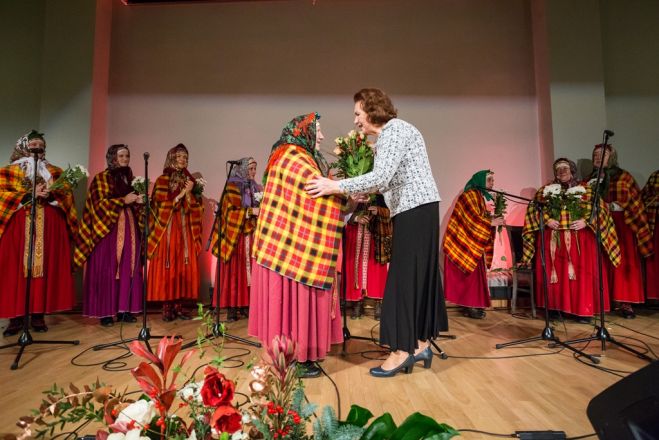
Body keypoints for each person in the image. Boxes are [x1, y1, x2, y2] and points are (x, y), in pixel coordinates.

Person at [306, 88, 448, 378]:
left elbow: (381, 177)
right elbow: (387, 180)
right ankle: (419, 343)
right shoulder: (397, 132)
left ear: (372, 110)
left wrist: (335, 186)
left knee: (403, 280)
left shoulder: (393, 132)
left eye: (358, 113)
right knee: (416, 278)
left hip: (414, 209)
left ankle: (400, 350)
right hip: (420, 209)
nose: (356, 121)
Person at [249, 112, 344, 378]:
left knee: (289, 302)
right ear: (305, 131)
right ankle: (294, 356)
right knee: (292, 300)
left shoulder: (290, 155)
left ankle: (291, 354)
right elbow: (315, 192)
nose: (322, 136)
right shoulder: (294, 157)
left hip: (284, 242)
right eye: (318, 130)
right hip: (288, 245)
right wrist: (346, 194)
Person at [522, 158, 621, 322]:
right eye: (558, 168)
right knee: (556, 276)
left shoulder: (585, 189)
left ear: (572, 170)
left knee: (580, 275)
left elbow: (599, 209)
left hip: (579, 239)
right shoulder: (545, 190)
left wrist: (586, 222)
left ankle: (581, 310)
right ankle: (555, 309)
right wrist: (546, 220)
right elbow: (533, 209)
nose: (562, 171)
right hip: (553, 238)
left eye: (565, 168)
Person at [0, 130, 78, 336]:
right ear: (24, 146)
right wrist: (28, 194)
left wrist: (51, 193)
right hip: (18, 226)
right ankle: (15, 319)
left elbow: (67, 196)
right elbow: (1, 195)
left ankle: (38, 315)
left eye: (40, 144)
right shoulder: (9, 171)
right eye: (33, 143)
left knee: (44, 268)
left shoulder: (54, 170)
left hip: (48, 224)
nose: (37, 147)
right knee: (15, 270)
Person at [74, 144, 144, 327]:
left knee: (129, 265)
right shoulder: (101, 178)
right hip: (107, 229)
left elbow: (133, 204)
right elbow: (97, 205)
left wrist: (139, 201)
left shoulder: (131, 180)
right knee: (108, 267)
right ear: (112, 157)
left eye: (127, 156)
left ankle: (124, 310)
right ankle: (105, 312)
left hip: (128, 225)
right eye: (121, 156)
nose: (125, 159)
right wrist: (123, 200)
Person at [589, 144, 653, 318]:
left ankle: (626, 303)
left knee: (623, 262)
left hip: (621, 224)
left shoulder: (623, 177)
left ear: (612, 157)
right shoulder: (590, 179)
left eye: (602, 154)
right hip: (600, 224)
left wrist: (614, 205)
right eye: (595, 154)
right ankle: (605, 300)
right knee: (601, 262)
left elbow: (634, 201)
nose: (597, 157)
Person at [147, 144, 203, 321]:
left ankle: (179, 306)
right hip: (168, 227)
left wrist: (189, 193)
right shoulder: (163, 179)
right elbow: (158, 205)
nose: (183, 160)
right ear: (172, 158)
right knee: (169, 264)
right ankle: (166, 307)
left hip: (184, 227)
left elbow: (195, 207)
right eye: (179, 156)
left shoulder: (189, 181)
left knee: (182, 264)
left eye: (185, 157)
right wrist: (180, 195)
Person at [443, 170, 503, 319]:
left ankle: (472, 305)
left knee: (473, 277)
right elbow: (471, 220)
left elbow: (476, 219)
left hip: (472, 242)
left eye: (492, 181)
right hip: (462, 242)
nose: (492, 183)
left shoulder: (479, 197)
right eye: (489, 180)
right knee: (468, 278)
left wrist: (491, 219)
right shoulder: (469, 196)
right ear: (480, 181)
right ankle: (470, 305)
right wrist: (490, 222)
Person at [210, 157, 262, 321]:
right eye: (250, 168)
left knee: (249, 271)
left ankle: (245, 305)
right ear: (242, 169)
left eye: (255, 169)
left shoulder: (256, 187)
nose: (253, 172)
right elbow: (229, 211)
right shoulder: (232, 186)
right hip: (235, 237)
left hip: (250, 234)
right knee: (234, 272)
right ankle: (232, 307)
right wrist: (249, 212)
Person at [343, 194, 391, 321]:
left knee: (377, 271)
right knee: (355, 268)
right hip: (356, 234)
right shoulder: (354, 192)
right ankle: (357, 303)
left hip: (375, 236)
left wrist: (379, 211)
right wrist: (355, 218)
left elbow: (393, 211)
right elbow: (344, 211)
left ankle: (379, 304)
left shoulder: (382, 193)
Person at [642, 170, 659, 301]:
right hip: (655, 221)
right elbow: (643, 197)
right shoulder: (656, 175)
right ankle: (654, 296)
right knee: (654, 260)